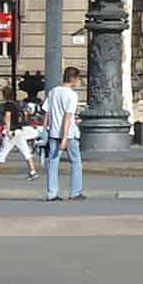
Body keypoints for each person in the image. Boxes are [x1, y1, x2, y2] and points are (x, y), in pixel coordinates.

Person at [44, 66, 84, 201]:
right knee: (75, 161)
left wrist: (45, 129)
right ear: (73, 79)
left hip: (53, 132)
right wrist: (65, 138)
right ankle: (75, 191)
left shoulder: (53, 92)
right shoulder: (71, 95)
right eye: (77, 78)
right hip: (68, 134)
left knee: (53, 162)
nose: (78, 81)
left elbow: (47, 112)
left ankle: (52, 192)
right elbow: (67, 116)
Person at [0, 89, 40, 180]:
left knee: (3, 152)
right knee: (26, 151)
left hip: (12, 132)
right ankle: (33, 171)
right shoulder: (17, 105)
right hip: (19, 131)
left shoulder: (8, 105)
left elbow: (7, 116)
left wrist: (7, 129)